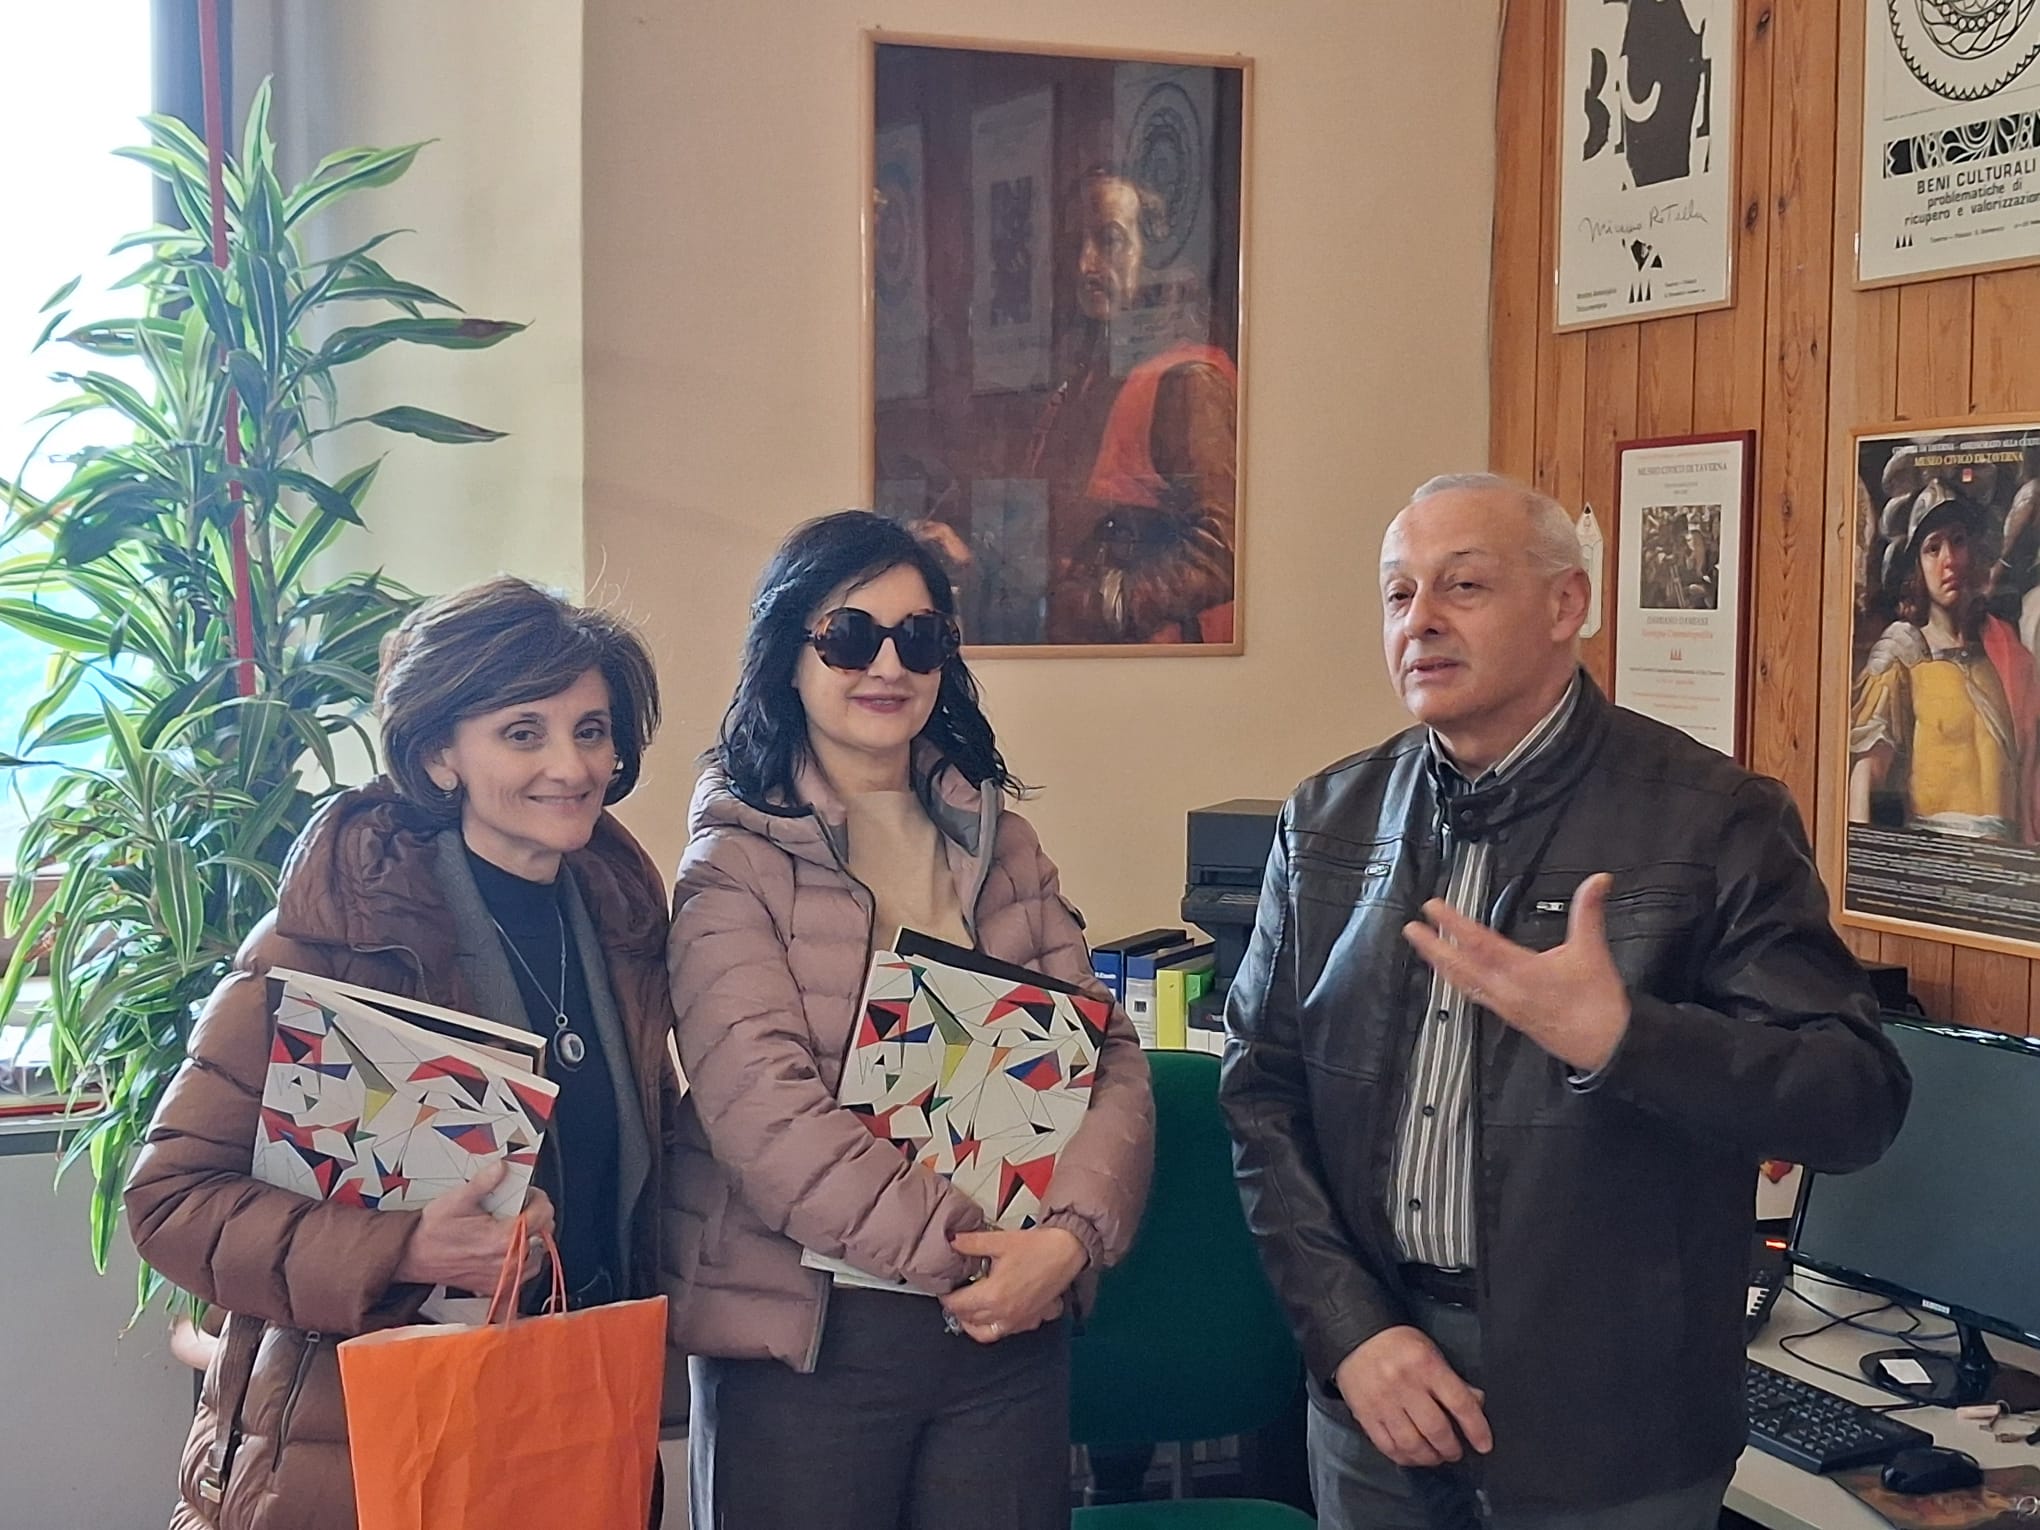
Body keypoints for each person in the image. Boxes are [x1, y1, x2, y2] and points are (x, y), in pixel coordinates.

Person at [1220, 474, 1912, 1529]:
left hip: (1614, 1420)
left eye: (1463, 585)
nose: (1421, 620)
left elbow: (1856, 1099)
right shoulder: (1327, 818)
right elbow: (1260, 1092)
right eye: (1399, 593)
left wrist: (1628, 1039)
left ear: (1565, 605)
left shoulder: (1714, 819)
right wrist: (1352, 1332)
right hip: (1380, 1393)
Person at [125, 577, 681, 1530]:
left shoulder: (621, 929)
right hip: (356, 1454)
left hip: (574, 1420)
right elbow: (171, 1200)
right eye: (523, 732)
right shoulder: (333, 939)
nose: (572, 765)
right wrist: (404, 1250)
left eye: (591, 731)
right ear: (437, 756)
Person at [668, 509, 1154, 1530]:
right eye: (850, 636)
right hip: (812, 1338)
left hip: (1007, 1326)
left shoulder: (1002, 843)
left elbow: (1106, 1055)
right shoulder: (734, 861)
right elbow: (765, 1117)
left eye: (919, 637)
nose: (888, 664)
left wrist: (1067, 1246)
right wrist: (975, 1252)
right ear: (787, 654)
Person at [1024, 165, 1238, 645]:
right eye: (1075, 244)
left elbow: (1223, 551)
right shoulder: (1085, 381)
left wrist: (1108, 603)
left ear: (1157, 257)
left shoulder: (1189, 382)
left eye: (1110, 241)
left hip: (1156, 668)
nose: (1085, 265)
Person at [1851, 486, 2040, 842]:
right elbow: (1867, 776)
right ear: (1916, 569)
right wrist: (1860, 862)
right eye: (1933, 548)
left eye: (1958, 541)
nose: (1949, 560)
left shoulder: (2006, 654)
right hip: (1933, 856)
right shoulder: (1902, 654)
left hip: (2008, 859)